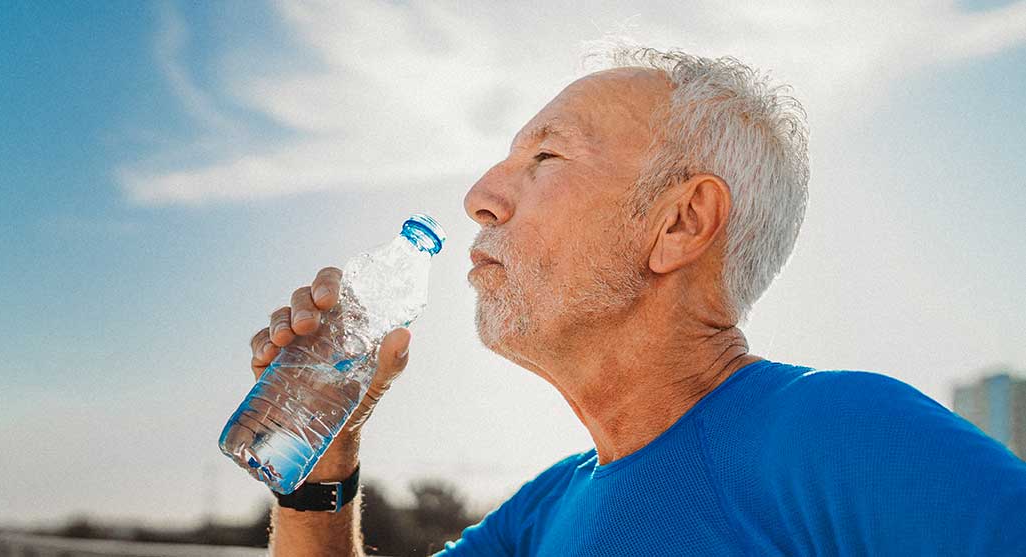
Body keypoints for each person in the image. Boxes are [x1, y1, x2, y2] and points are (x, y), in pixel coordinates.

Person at [244, 46, 1026, 556]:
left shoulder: (840, 436)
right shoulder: (542, 513)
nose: (479, 196)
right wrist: (323, 466)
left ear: (679, 222)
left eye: (546, 154)